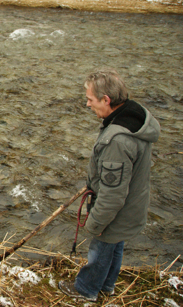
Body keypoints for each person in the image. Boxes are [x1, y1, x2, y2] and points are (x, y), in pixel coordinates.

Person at [59, 69, 160, 301]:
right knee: (115, 245)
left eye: (90, 100)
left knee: (101, 247)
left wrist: (95, 222)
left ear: (106, 100)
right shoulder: (134, 117)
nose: (87, 104)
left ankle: (86, 290)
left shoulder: (118, 140)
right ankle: (107, 285)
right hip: (130, 207)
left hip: (116, 210)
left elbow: (113, 196)